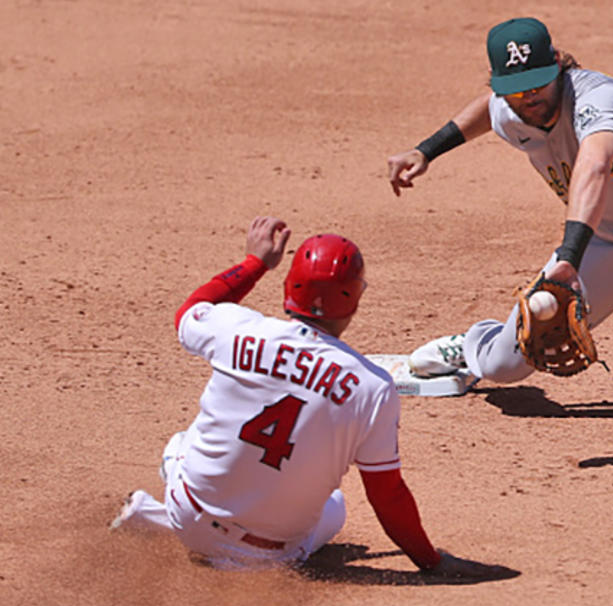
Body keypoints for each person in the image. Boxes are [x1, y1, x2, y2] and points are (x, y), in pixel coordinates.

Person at [386, 17, 613, 461]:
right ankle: (472, 347)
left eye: (540, 82)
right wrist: (426, 150)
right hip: (610, 240)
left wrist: (568, 259)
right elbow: (489, 109)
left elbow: (594, 166)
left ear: (558, 65)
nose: (531, 96)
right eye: (518, 87)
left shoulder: (601, 99)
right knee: (506, 365)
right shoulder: (510, 108)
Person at [111, 216, 501, 576]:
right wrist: (430, 563)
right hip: (268, 556)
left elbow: (191, 310)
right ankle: (217, 551)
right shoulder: (372, 386)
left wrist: (255, 262)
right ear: (354, 299)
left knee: (182, 443)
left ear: (289, 288)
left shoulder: (235, 328)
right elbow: (387, 496)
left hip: (190, 518)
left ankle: (156, 516)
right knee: (334, 506)